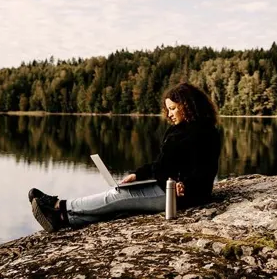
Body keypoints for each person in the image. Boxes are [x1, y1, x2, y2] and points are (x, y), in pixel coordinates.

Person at [27, 82, 222, 232]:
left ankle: (58, 206)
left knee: (118, 195)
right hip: (164, 185)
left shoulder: (206, 133)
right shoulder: (177, 130)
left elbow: (205, 168)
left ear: (187, 105)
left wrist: (186, 184)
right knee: (119, 206)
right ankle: (62, 220)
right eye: (167, 109)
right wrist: (137, 175)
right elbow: (161, 165)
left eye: (173, 108)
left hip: (183, 195)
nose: (169, 114)